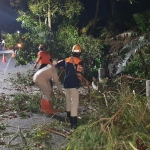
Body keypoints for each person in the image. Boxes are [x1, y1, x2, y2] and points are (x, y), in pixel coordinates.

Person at [55, 44, 90, 129]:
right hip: (74, 84)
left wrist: (63, 69)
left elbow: (57, 64)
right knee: (74, 103)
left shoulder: (67, 59)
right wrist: (85, 80)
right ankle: (74, 124)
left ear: (72, 51)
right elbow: (78, 73)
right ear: (80, 52)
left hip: (66, 83)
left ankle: (69, 119)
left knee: (68, 101)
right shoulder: (79, 61)